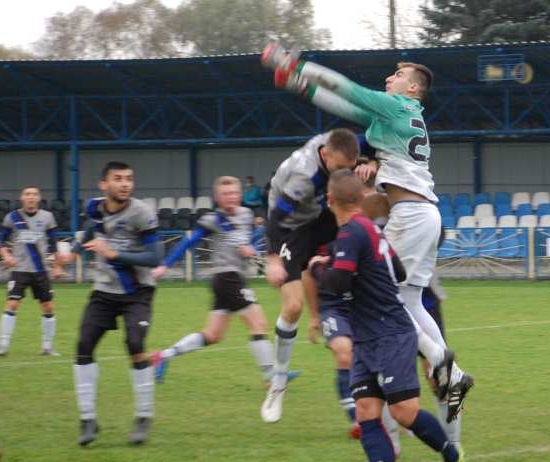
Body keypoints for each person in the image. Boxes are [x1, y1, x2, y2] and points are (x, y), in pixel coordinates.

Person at [262, 42, 474, 423]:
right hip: (425, 213)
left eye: (397, 75)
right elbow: (341, 106)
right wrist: (295, 82)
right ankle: (449, 371)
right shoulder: (398, 114)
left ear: (412, 88)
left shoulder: (397, 105)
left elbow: (344, 87)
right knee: (408, 300)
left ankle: (449, 369)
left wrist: (294, 64)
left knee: (385, 299)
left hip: (410, 214)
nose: (389, 78)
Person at [309, 169, 464, 462]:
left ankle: (452, 459)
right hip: (368, 335)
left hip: (391, 332)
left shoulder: (351, 234)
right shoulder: (373, 230)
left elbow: (337, 284)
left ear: (330, 200)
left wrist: (318, 268)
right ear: (361, 199)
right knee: (366, 409)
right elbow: (402, 273)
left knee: (403, 413)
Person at [259, 129, 361, 423]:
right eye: (340, 168)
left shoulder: (340, 144)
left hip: (319, 215)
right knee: (292, 307)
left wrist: (371, 163)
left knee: (360, 208)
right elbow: (276, 220)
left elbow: (373, 139)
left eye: (349, 168)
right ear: (325, 155)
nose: (345, 173)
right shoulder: (303, 180)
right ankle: (278, 382)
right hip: (290, 227)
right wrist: (272, 258)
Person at [150, 176, 278, 401]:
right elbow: (188, 242)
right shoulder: (213, 219)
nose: (231, 197)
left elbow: (249, 238)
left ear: (240, 195)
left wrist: (252, 244)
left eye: (234, 193)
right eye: (226, 194)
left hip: (230, 280)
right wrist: (165, 265)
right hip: (227, 277)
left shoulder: (247, 215)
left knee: (212, 335)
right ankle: (273, 379)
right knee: (259, 325)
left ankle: (164, 356)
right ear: (218, 198)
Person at [70, 162, 164, 446]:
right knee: (83, 347)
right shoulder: (95, 208)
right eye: (118, 179)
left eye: (129, 179)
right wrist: (73, 252)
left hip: (137, 291)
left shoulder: (142, 213)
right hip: (104, 291)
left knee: (135, 345)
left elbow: (155, 257)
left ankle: (143, 416)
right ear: (104, 185)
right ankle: (88, 420)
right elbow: (91, 228)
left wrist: (112, 254)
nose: (125, 184)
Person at [0, 186, 70, 357]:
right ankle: (3, 345)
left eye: (34, 194)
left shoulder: (47, 217)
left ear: (39, 198)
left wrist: (57, 267)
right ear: (22, 198)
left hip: (41, 270)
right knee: (12, 304)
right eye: (27, 194)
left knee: (48, 307)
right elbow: (1, 241)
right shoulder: (12, 217)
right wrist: (5, 254)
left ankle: (47, 347)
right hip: (19, 269)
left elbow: (53, 245)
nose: (31, 197)